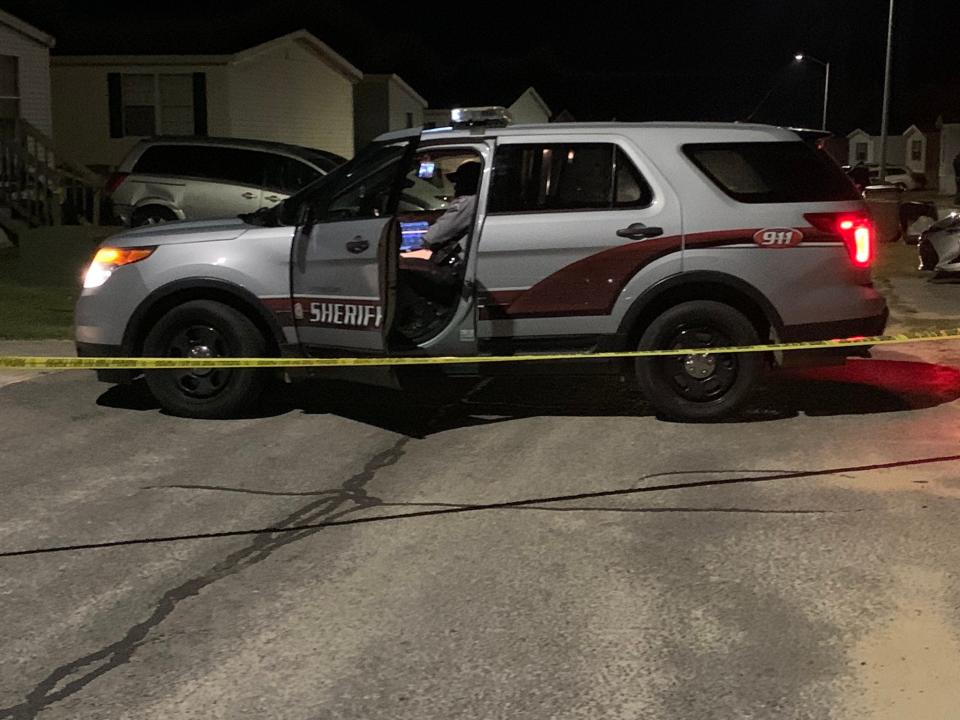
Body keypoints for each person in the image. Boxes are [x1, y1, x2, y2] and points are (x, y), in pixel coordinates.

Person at [396, 160, 482, 336]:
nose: (455, 185)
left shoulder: (467, 202)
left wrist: (411, 239)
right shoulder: (475, 202)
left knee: (402, 268)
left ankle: (425, 316)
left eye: (458, 181)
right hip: (457, 266)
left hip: (455, 270)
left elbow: (433, 236)